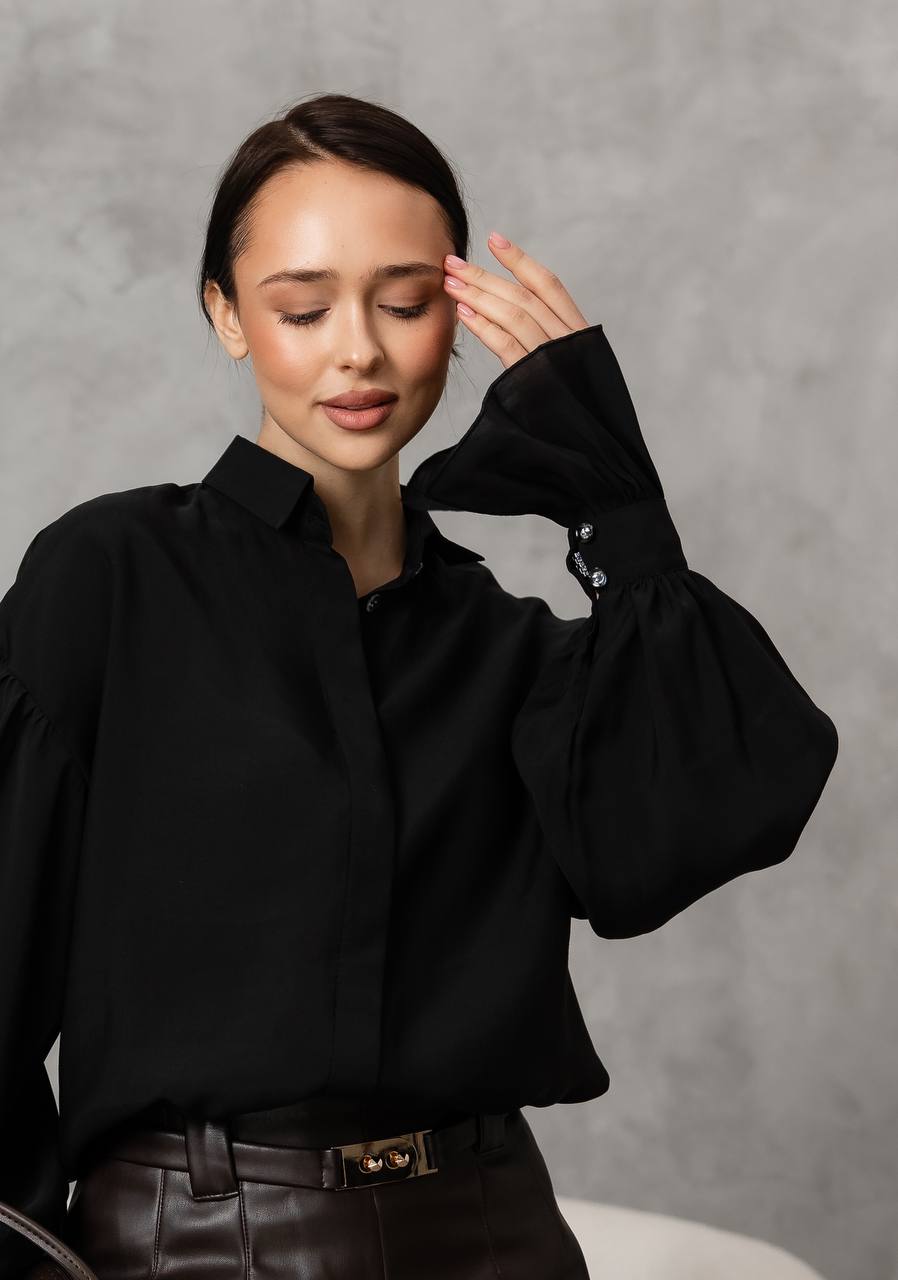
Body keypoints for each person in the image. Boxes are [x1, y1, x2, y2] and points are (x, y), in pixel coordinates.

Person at [0, 92, 838, 1279]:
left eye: (403, 303)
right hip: (194, 1244)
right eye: (302, 308)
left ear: (453, 316)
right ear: (226, 315)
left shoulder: (512, 647)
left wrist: (620, 509)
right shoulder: (111, 578)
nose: (358, 349)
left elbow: (715, 815)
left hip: (499, 1231)